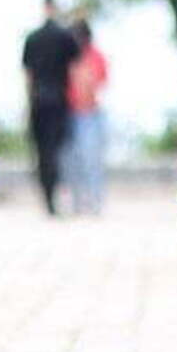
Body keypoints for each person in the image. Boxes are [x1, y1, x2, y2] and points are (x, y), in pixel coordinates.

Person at [22, 0, 79, 217]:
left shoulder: (32, 38)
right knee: (57, 150)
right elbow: (75, 68)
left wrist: (27, 104)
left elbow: (27, 75)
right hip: (59, 99)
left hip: (38, 100)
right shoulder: (65, 36)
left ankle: (49, 198)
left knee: (43, 152)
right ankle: (57, 195)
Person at [64, 18, 109, 217]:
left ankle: (96, 201)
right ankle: (77, 202)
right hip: (70, 113)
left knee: (92, 160)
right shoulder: (67, 57)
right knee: (71, 161)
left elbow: (100, 82)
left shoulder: (96, 56)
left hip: (90, 114)